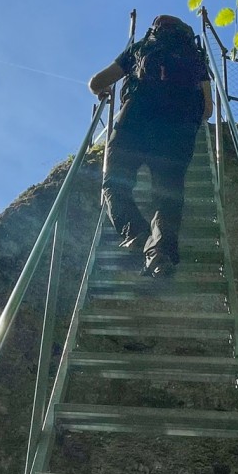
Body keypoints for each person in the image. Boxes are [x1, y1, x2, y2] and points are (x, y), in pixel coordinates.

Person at [87, 14, 213, 278]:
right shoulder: (196, 56)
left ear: (154, 30)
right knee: (167, 195)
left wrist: (103, 93)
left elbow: (96, 82)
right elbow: (208, 109)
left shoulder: (140, 48)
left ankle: (136, 234)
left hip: (136, 121)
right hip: (178, 130)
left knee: (113, 184)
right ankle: (159, 255)